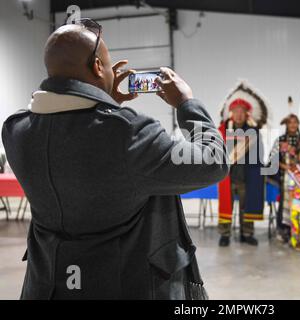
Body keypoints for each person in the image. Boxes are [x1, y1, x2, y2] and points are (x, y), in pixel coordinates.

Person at [1, 21, 228, 299]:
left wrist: (104, 101)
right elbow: (214, 161)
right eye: (107, 65)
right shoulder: (129, 134)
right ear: (97, 67)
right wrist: (186, 104)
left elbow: (75, 140)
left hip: (48, 286)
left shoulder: (16, 130)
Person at [217, 82, 267, 247]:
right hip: (228, 177)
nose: (238, 115)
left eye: (242, 112)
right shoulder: (222, 131)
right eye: (235, 111)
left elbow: (259, 154)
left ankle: (247, 233)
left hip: (247, 176)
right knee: (226, 205)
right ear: (231, 113)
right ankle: (225, 234)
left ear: (247, 114)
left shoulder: (253, 132)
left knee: (247, 206)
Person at [268, 114, 300, 243]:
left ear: (298, 124)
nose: (292, 125)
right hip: (285, 177)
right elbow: (272, 160)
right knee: (285, 203)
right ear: (286, 125)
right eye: (290, 122)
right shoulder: (280, 140)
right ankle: (283, 230)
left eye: (295, 122)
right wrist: (285, 166)